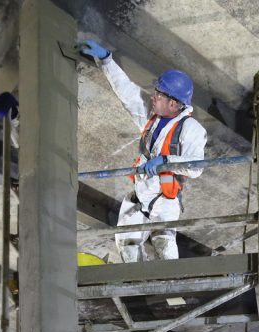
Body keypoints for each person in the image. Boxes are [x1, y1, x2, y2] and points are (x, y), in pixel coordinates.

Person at [80, 40, 207, 263]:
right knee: (127, 245)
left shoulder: (191, 129)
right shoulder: (152, 118)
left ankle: (171, 288)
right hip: (140, 195)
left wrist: (166, 160)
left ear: (173, 103)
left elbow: (196, 167)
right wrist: (106, 60)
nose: (153, 97)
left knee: (164, 245)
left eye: (158, 95)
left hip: (165, 199)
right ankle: (140, 289)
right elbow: (126, 91)